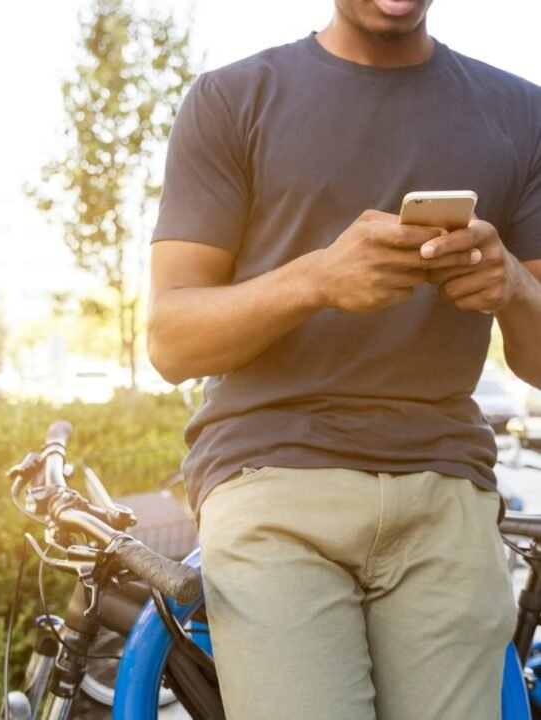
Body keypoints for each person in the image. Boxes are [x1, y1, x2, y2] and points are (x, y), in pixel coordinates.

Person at [147, 0, 541, 717]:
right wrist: (316, 280)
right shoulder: (232, 99)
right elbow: (171, 342)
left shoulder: (522, 112)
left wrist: (513, 285)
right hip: (273, 479)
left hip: (445, 487)